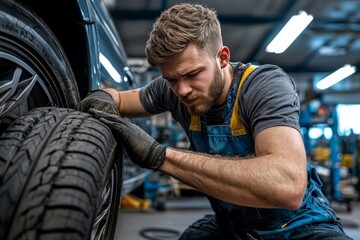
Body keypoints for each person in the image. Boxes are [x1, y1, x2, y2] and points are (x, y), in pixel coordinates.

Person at [78, 3, 353, 239]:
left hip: (300, 226)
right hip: (233, 228)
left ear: (222, 57)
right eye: (172, 79)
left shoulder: (264, 85)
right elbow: (123, 98)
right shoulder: (172, 90)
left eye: (192, 73)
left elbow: (287, 186)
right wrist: (105, 96)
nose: (182, 90)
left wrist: (158, 155)